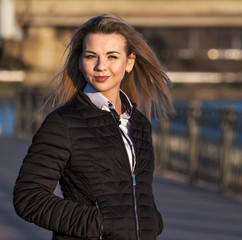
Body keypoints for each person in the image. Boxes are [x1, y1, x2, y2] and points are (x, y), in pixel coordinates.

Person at [13, 14, 173, 240]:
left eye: (112, 56)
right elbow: (28, 197)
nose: (101, 66)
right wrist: (99, 224)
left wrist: (150, 221)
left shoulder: (139, 124)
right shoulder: (63, 123)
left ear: (129, 62)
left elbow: (140, 191)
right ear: (80, 61)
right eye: (91, 56)